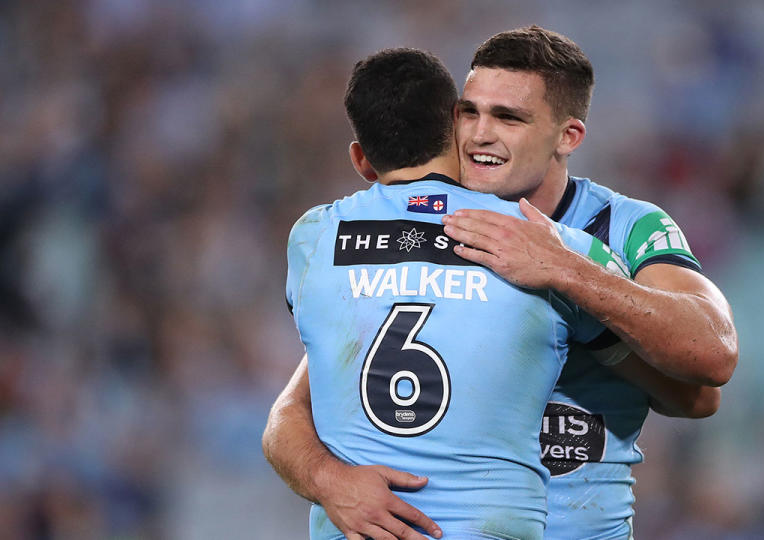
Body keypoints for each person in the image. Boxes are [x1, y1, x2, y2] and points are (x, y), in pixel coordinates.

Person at [265, 27, 738, 539]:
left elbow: (705, 378)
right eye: (469, 112)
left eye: (508, 118)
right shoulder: (432, 225)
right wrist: (329, 480)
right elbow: (293, 410)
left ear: (568, 136)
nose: (478, 135)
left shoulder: (622, 228)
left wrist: (566, 271)